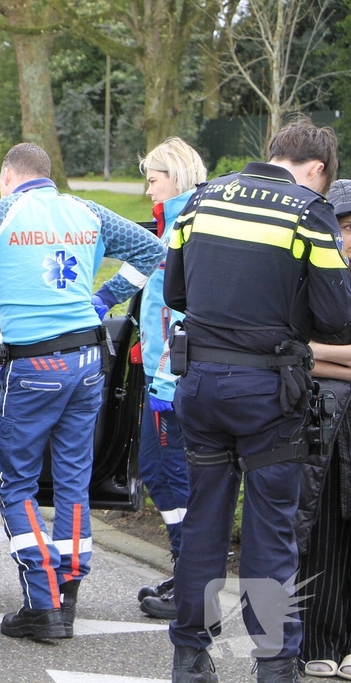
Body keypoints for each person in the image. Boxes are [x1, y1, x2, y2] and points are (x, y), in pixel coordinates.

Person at [0, 142, 165, 640]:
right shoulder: (88, 212)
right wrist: (104, 297)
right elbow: (153, 250)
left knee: (17, 485)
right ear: (48, 174)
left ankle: (41, 605)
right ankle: (67, 596)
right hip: (87, 360)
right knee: (73, 482)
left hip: (34, 365)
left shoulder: (0, 214)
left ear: (8, 176)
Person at [162, 115, 351, 683]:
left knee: (204, 523)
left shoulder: (200, 201)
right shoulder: (307, 212)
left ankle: (191, 655)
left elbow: (175, 290)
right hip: (269, 394)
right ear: (316, 168)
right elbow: (339, 319)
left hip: (198, 386)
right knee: (271, 535)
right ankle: (273, 665)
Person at [131, 138, 207, 621]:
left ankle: (192, 586)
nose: (146, 188)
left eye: (152, 178)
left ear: (175, 177)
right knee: (165, 474)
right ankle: (188, 575)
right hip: (167, 376)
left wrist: (162, 381)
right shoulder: (174, 224)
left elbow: (180, 313)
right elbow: (141, 275)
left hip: (171, 381)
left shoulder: (182, 227)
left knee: (169, 477)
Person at [298, 179, 351, 679]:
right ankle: (317, 641)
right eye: (343, 227)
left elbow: (312, 353)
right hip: (322, 420)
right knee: (321, 530)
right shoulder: (310, 277)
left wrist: (321, 356)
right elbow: (296, 352)